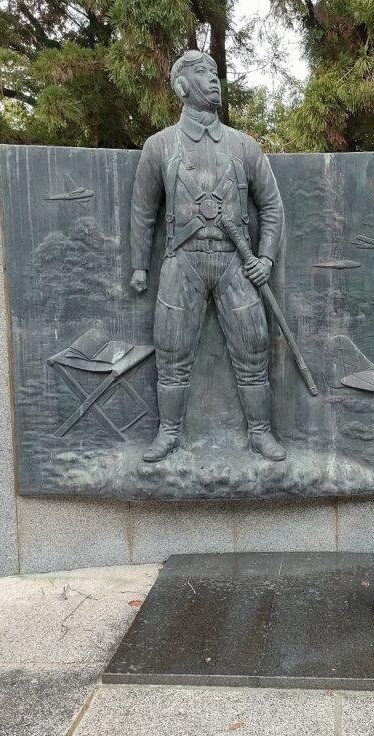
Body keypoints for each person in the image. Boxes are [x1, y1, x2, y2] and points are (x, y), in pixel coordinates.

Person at [129, 50, 286, 462]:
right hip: (183, 261)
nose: (214, 80)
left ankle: (260, 433)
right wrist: (140, 266)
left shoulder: (244, 146)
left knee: (254, 345)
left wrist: (265, 259)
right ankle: (169, 433)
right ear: (181, 85)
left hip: (237, 263)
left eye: (216, 73)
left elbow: (271, 206)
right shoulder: (159, 146)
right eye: (202, 72)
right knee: (172, 349)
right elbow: (144, 210)